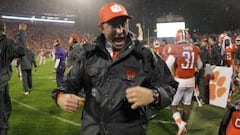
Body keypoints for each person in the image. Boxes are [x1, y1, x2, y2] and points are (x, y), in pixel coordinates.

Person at [52, 2, 178, 135]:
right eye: (114, 25)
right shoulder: (88, 55)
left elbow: (170, 85)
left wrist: (154, 95)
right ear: (101, 28)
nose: (120, 30)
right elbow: (66, 85)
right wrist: (60, 97)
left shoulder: (144, 55)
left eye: (123, 24)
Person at [166, 29, 202, 135]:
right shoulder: (195, 48)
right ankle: (183, 127)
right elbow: (199, 65)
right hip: (191, 80)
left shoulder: (175, 49)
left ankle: (181, 125)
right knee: (187, 106)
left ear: (177, 38)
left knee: (173, 106)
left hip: (179, 81)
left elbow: (167, 65)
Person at [0, 21, 26, 135]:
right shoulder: (7, 42)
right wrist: (21, 33)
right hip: (1, 84)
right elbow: (21, 50)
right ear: (3, 28)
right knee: (2, 118)